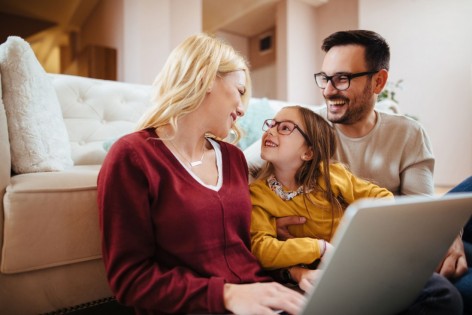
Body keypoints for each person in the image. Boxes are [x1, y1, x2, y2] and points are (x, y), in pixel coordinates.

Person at [97, 33, 305, 315]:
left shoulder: (233, 158)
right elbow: (130, 279)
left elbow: (242, 248)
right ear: (206, 79)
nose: (243, 109)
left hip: (264, 300)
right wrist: (227, 295)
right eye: (240, 91)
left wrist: (294, 273)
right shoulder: (132, 157)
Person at [271, 29, 470, 313]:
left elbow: (422, 209)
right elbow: (241, 167)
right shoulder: (303, 128)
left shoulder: (408, 133)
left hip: (404, 243)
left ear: (379, 81)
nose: (328, 90)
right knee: (458, 295)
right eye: (325, 78)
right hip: (351, 257)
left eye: (342, 79)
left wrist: (451, 234)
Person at [250, 105, 393, 294]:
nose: (270, 131)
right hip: (321, 278)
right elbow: (262, 250)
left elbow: (384, 198)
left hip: (362, 258)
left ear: (308, 153)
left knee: (433, 289)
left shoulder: (330, 175)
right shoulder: (258, 193)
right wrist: (319, 247)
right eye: (270, 124)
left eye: (284, 127)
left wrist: (359, 236)